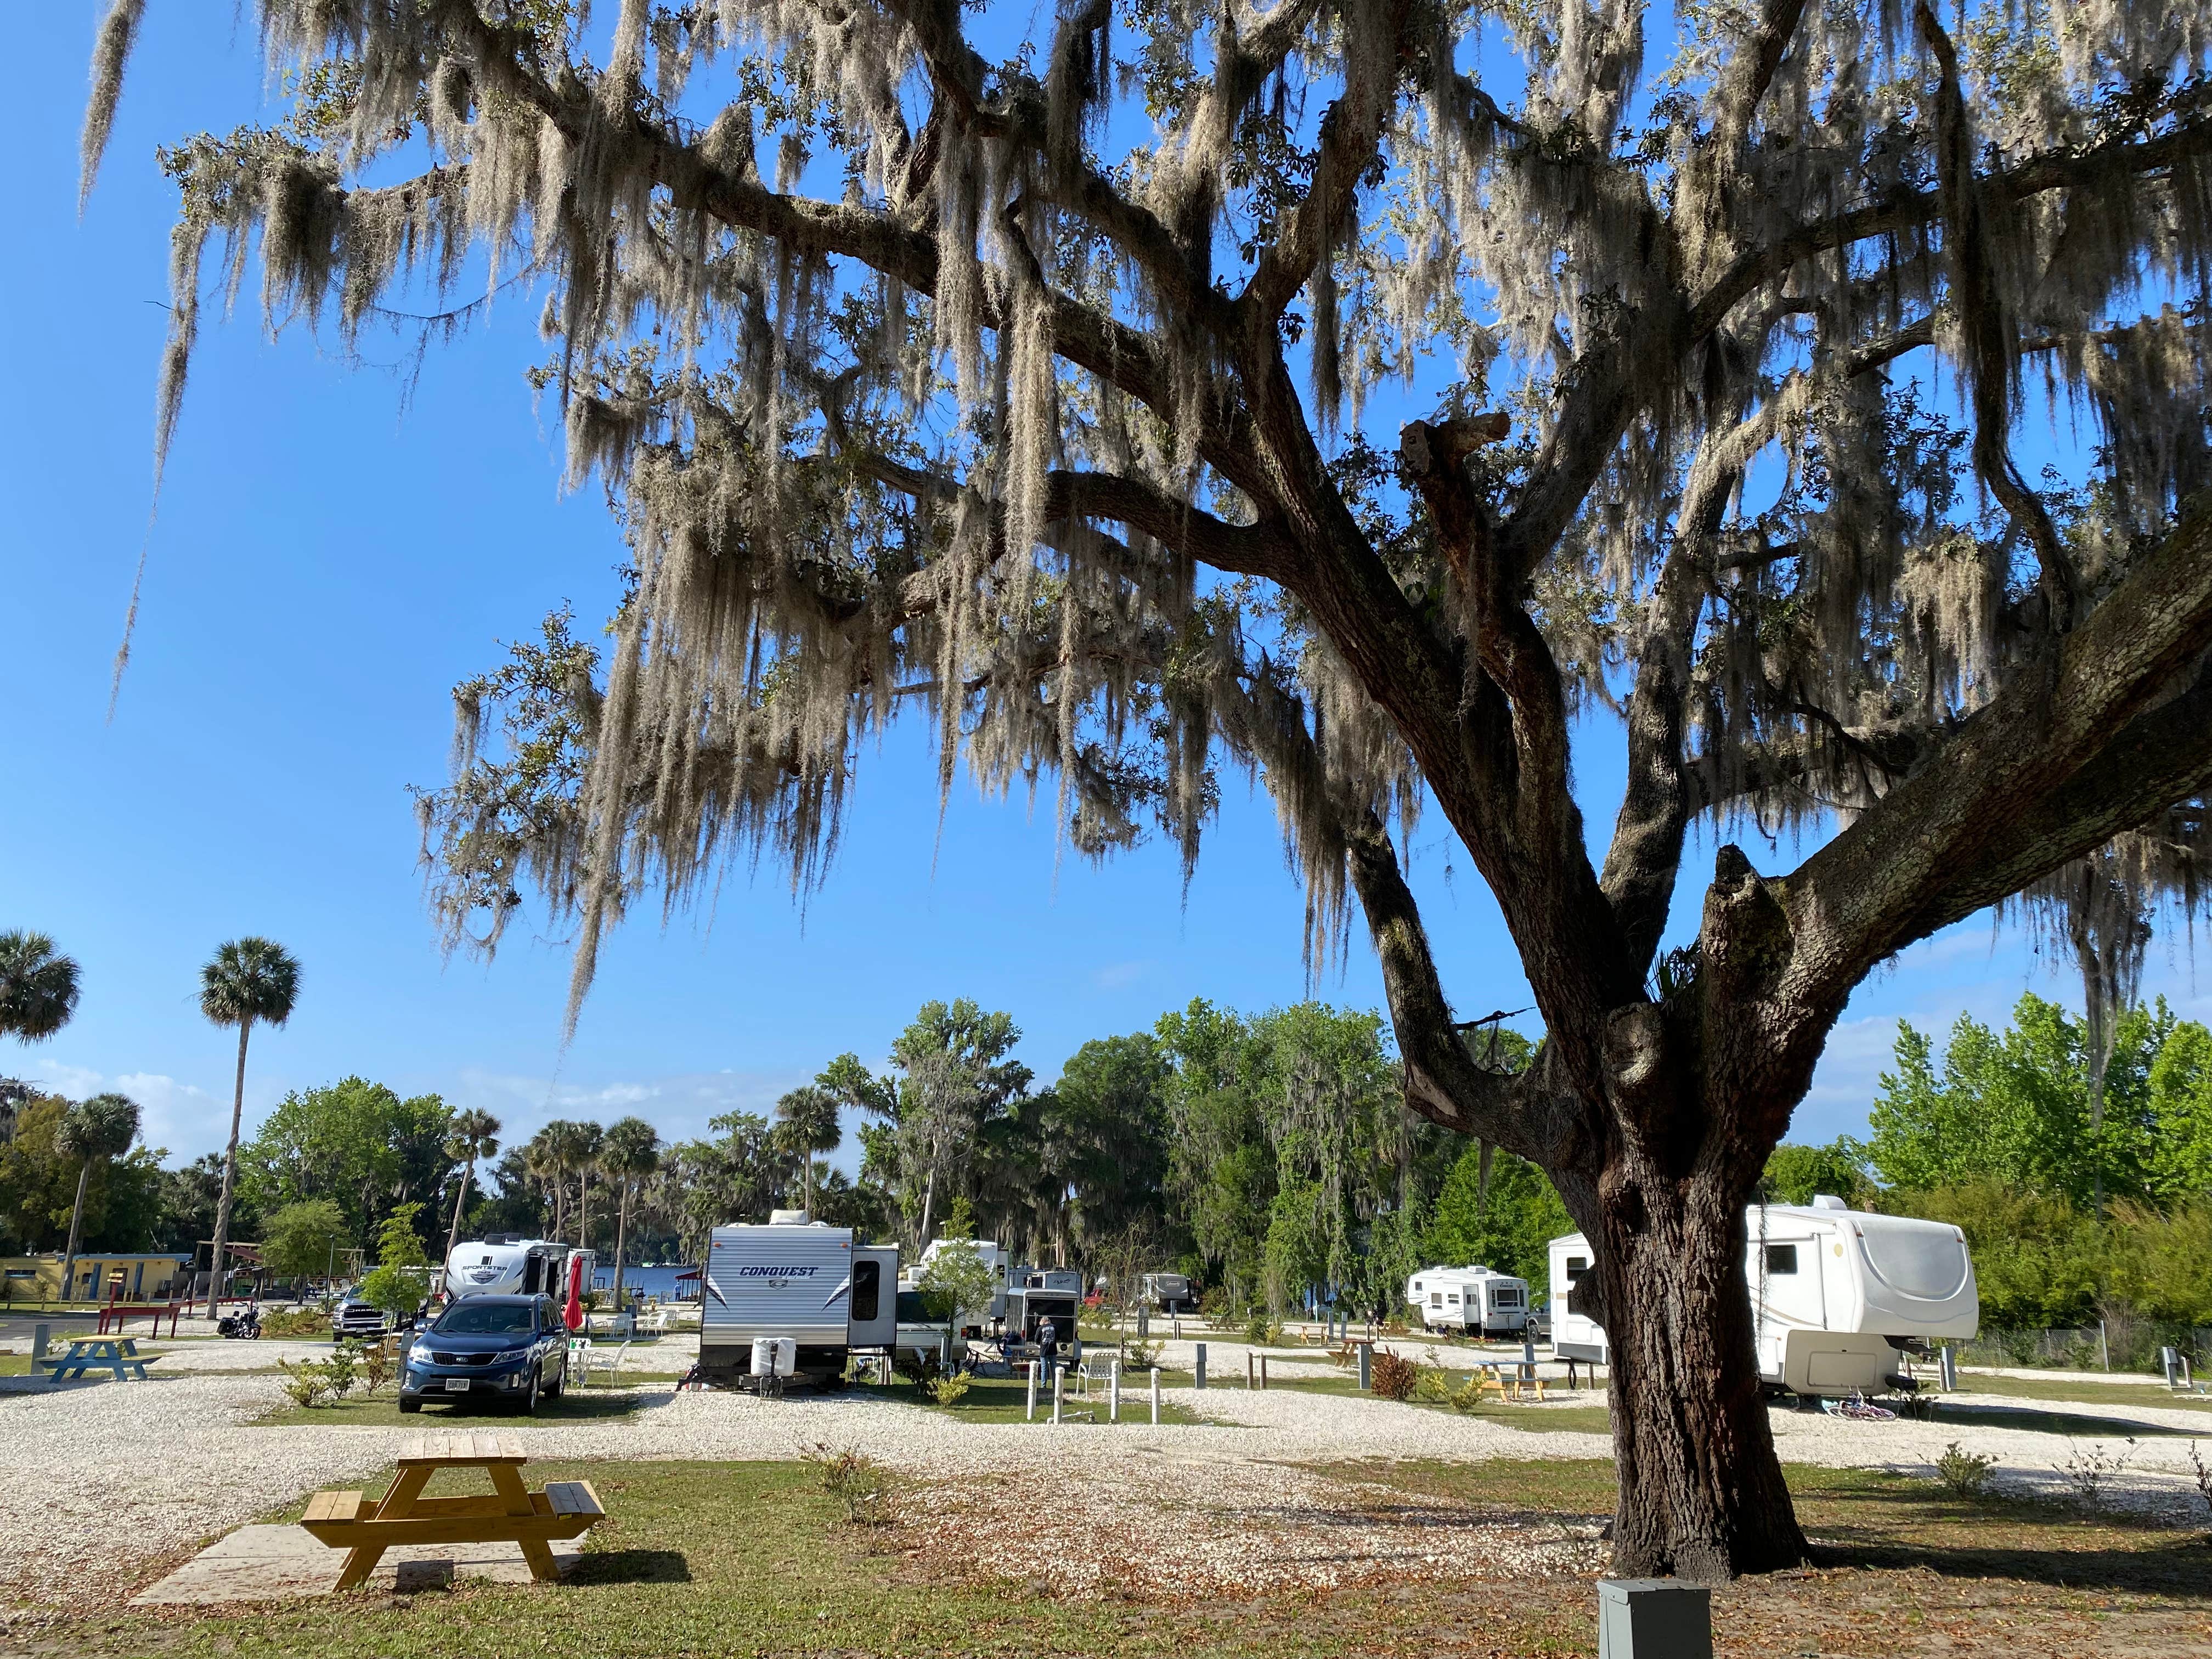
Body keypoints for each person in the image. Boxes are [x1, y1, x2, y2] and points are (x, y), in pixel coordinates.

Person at [1036, 1314, 1059, 1379]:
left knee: (1044, 1369)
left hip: (1044, 1352)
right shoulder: (1054, 1327)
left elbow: (1036, 1340)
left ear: (1043, 1321)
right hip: (1053, 1351)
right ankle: (1055, 1385)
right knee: (1054, 1369)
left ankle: (1043, 1386)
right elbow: (1059, 1337)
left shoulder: (1040, 1328)